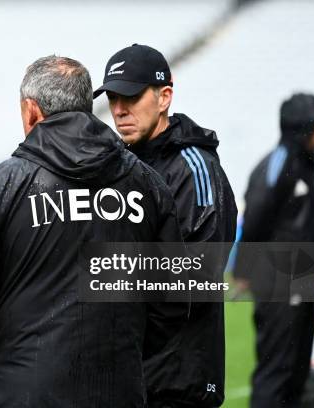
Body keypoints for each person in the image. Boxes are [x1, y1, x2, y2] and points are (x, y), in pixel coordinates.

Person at [0, 55, 188, 407]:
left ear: (31, 111)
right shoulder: (148, 184)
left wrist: (7, 353)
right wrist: (121, 352)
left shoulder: (4, 183)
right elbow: (173, 296)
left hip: (24, 390)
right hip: (118, 390)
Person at [95, 44, 238, 407]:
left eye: (130, 95)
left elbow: (199, 274)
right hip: (127, 376)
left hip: (178, 382)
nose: (118, 109)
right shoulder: (116, 166)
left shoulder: (195, 169)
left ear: (164, 98)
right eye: (112, 97)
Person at [233, 93, 314, 408]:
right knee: (276, 373)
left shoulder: (303, 163)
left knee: (298, 374)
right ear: (304, 126)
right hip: (279, 284)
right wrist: (244, 270)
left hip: (302, 280)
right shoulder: (279, 162)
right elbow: (256, 216)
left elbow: (304, 226)